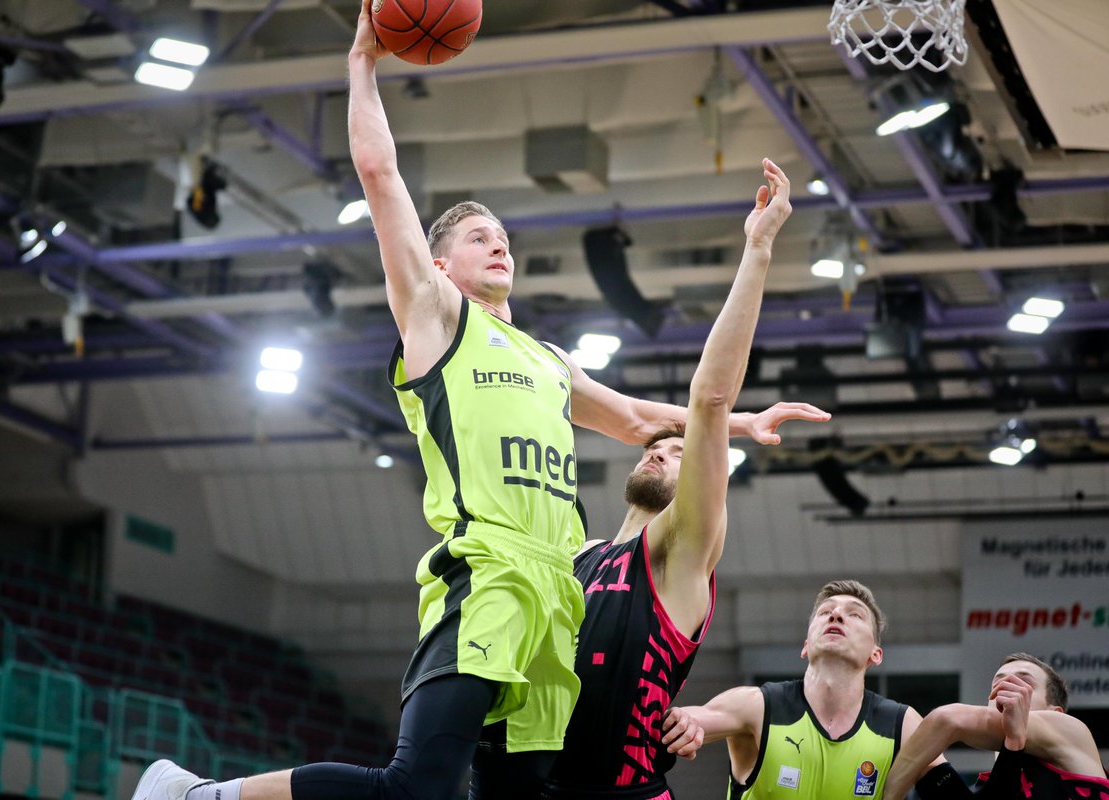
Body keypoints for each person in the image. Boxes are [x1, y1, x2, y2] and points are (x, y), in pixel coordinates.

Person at [129, 1, 825, 798]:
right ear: (441, 264)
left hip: (557, 594)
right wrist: (362, 62)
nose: (499, 243)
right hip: (487, 573)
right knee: (416, 786)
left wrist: (742, 420)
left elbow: (639, 420)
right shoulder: (436, 317)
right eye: (477, 236)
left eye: (505, 237)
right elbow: (381, 174)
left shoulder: (549, 358)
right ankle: (202, 795)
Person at [542, 159, 814, 800]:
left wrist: (758, 248)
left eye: (679, 453)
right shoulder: (576, 555)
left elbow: (709, 402)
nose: (662, 452)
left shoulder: (680, 553)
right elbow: (627, 414)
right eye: (656, 448)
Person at [660, 580, 943, 799]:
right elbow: (682, 720)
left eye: (855, 615)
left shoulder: (901, 725)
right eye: (825, 612)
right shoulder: (757, 707)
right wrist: (682, 723)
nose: (836, 616)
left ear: (875, 654)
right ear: (806, 646)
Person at [884, 652, 1108, 800]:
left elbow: (947, 720)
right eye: (998, 682)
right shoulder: (982, 790)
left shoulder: (1073, 733)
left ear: (1054, 712)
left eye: (1024, 682)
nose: (1005, 686)